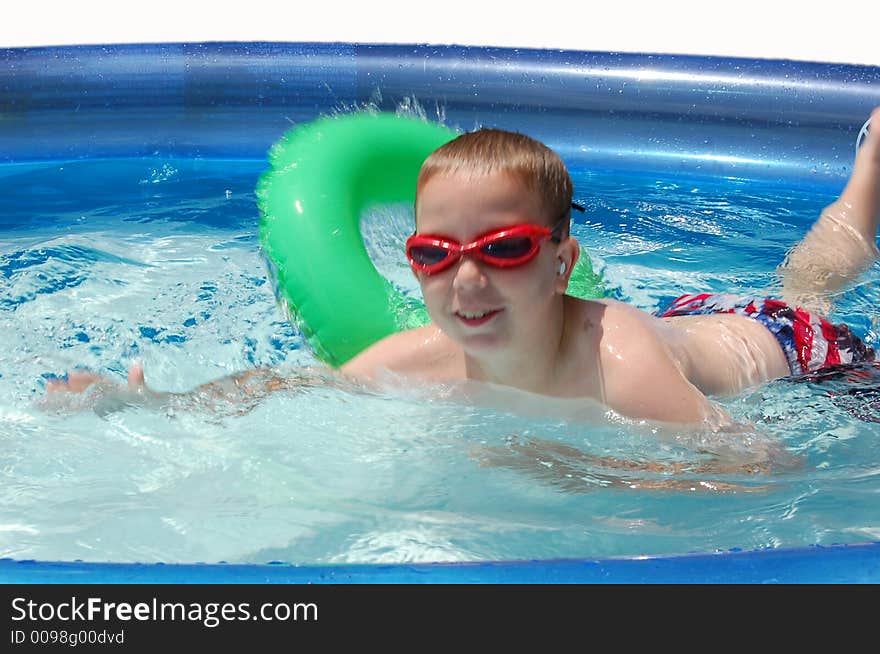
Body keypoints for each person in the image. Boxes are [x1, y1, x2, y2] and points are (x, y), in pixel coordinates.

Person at [48, 108, 880, 434]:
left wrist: (570, 470)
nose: (466, 283)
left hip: (800, 354)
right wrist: (142, 403)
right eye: (433, 255)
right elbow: (284, 386)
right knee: (799, 274)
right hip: (690, 310)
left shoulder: (615, 361)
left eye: (506, 249)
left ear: (563, 262)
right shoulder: (430, 352)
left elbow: (761, 472)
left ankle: (868, 172)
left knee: (806, 295)